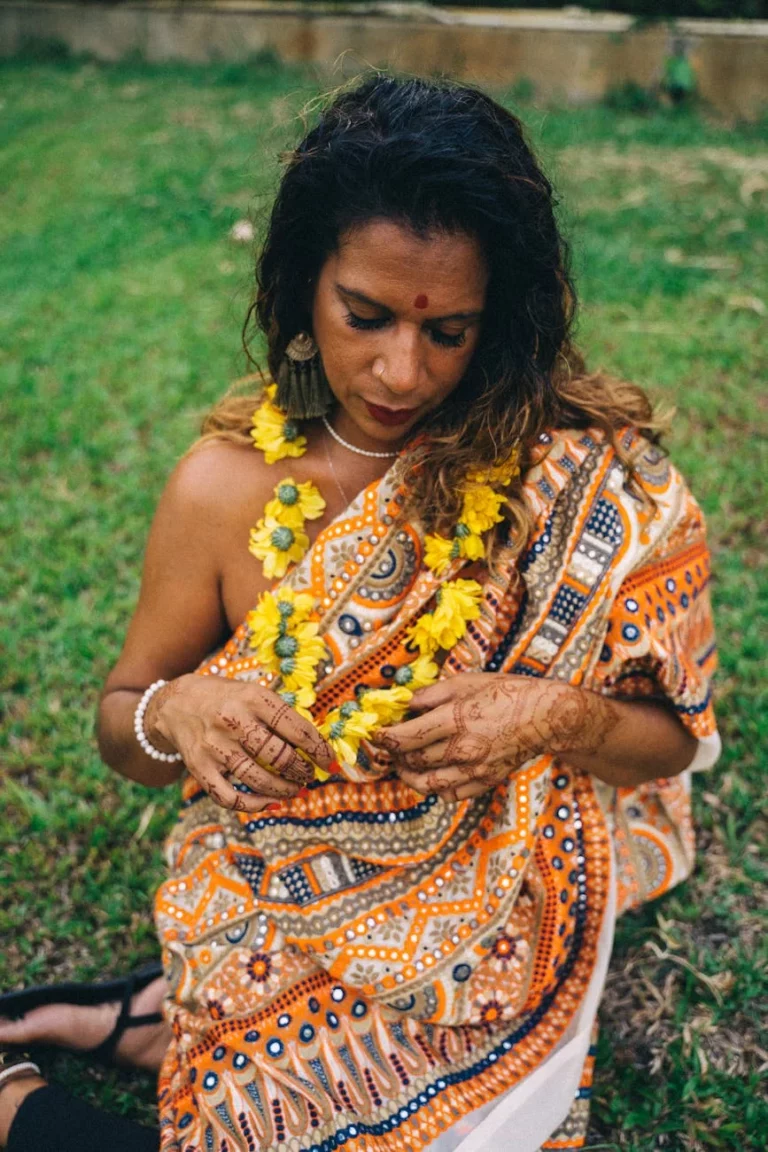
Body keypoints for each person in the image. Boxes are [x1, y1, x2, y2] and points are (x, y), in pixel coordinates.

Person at [0, 74, 720, 1152]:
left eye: (451, 332)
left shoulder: (578, 476)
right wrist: (180, 712)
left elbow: (665, 746)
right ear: (302, 289)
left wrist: (547, 718)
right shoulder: (223, 486)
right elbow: (122, 723)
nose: (401, 371)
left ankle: (129, 1023)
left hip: (499, 905)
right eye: (366, 316)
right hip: (275, 892)